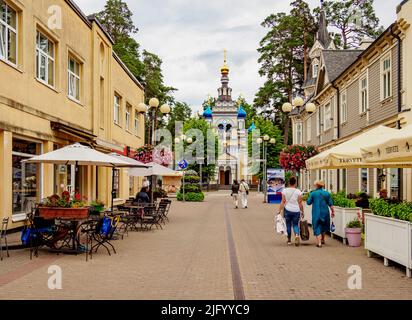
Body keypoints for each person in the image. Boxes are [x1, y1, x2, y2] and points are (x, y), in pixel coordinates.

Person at [307, 180, 335, 248]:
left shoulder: (313, 193)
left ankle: (319, 243)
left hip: (316, 212)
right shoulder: (327, 193)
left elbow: (308, 202)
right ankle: (322, 239)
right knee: (324, 225)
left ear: (316, 185)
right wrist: (333, 211)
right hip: (325, 212)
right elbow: (330, 204)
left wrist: (310, 196)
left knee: (317, 226)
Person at [278, 176, 304, 246]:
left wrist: (279, 210)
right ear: (295, 183)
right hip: (296, 210)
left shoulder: (284, 191)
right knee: (295, 225)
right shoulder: (298, 191)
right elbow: (300, 203)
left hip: (287, 210)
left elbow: (283, 201)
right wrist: (302, 211)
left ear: (289, 183)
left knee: (288, 224)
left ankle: (289, 240)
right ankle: (297, 235)